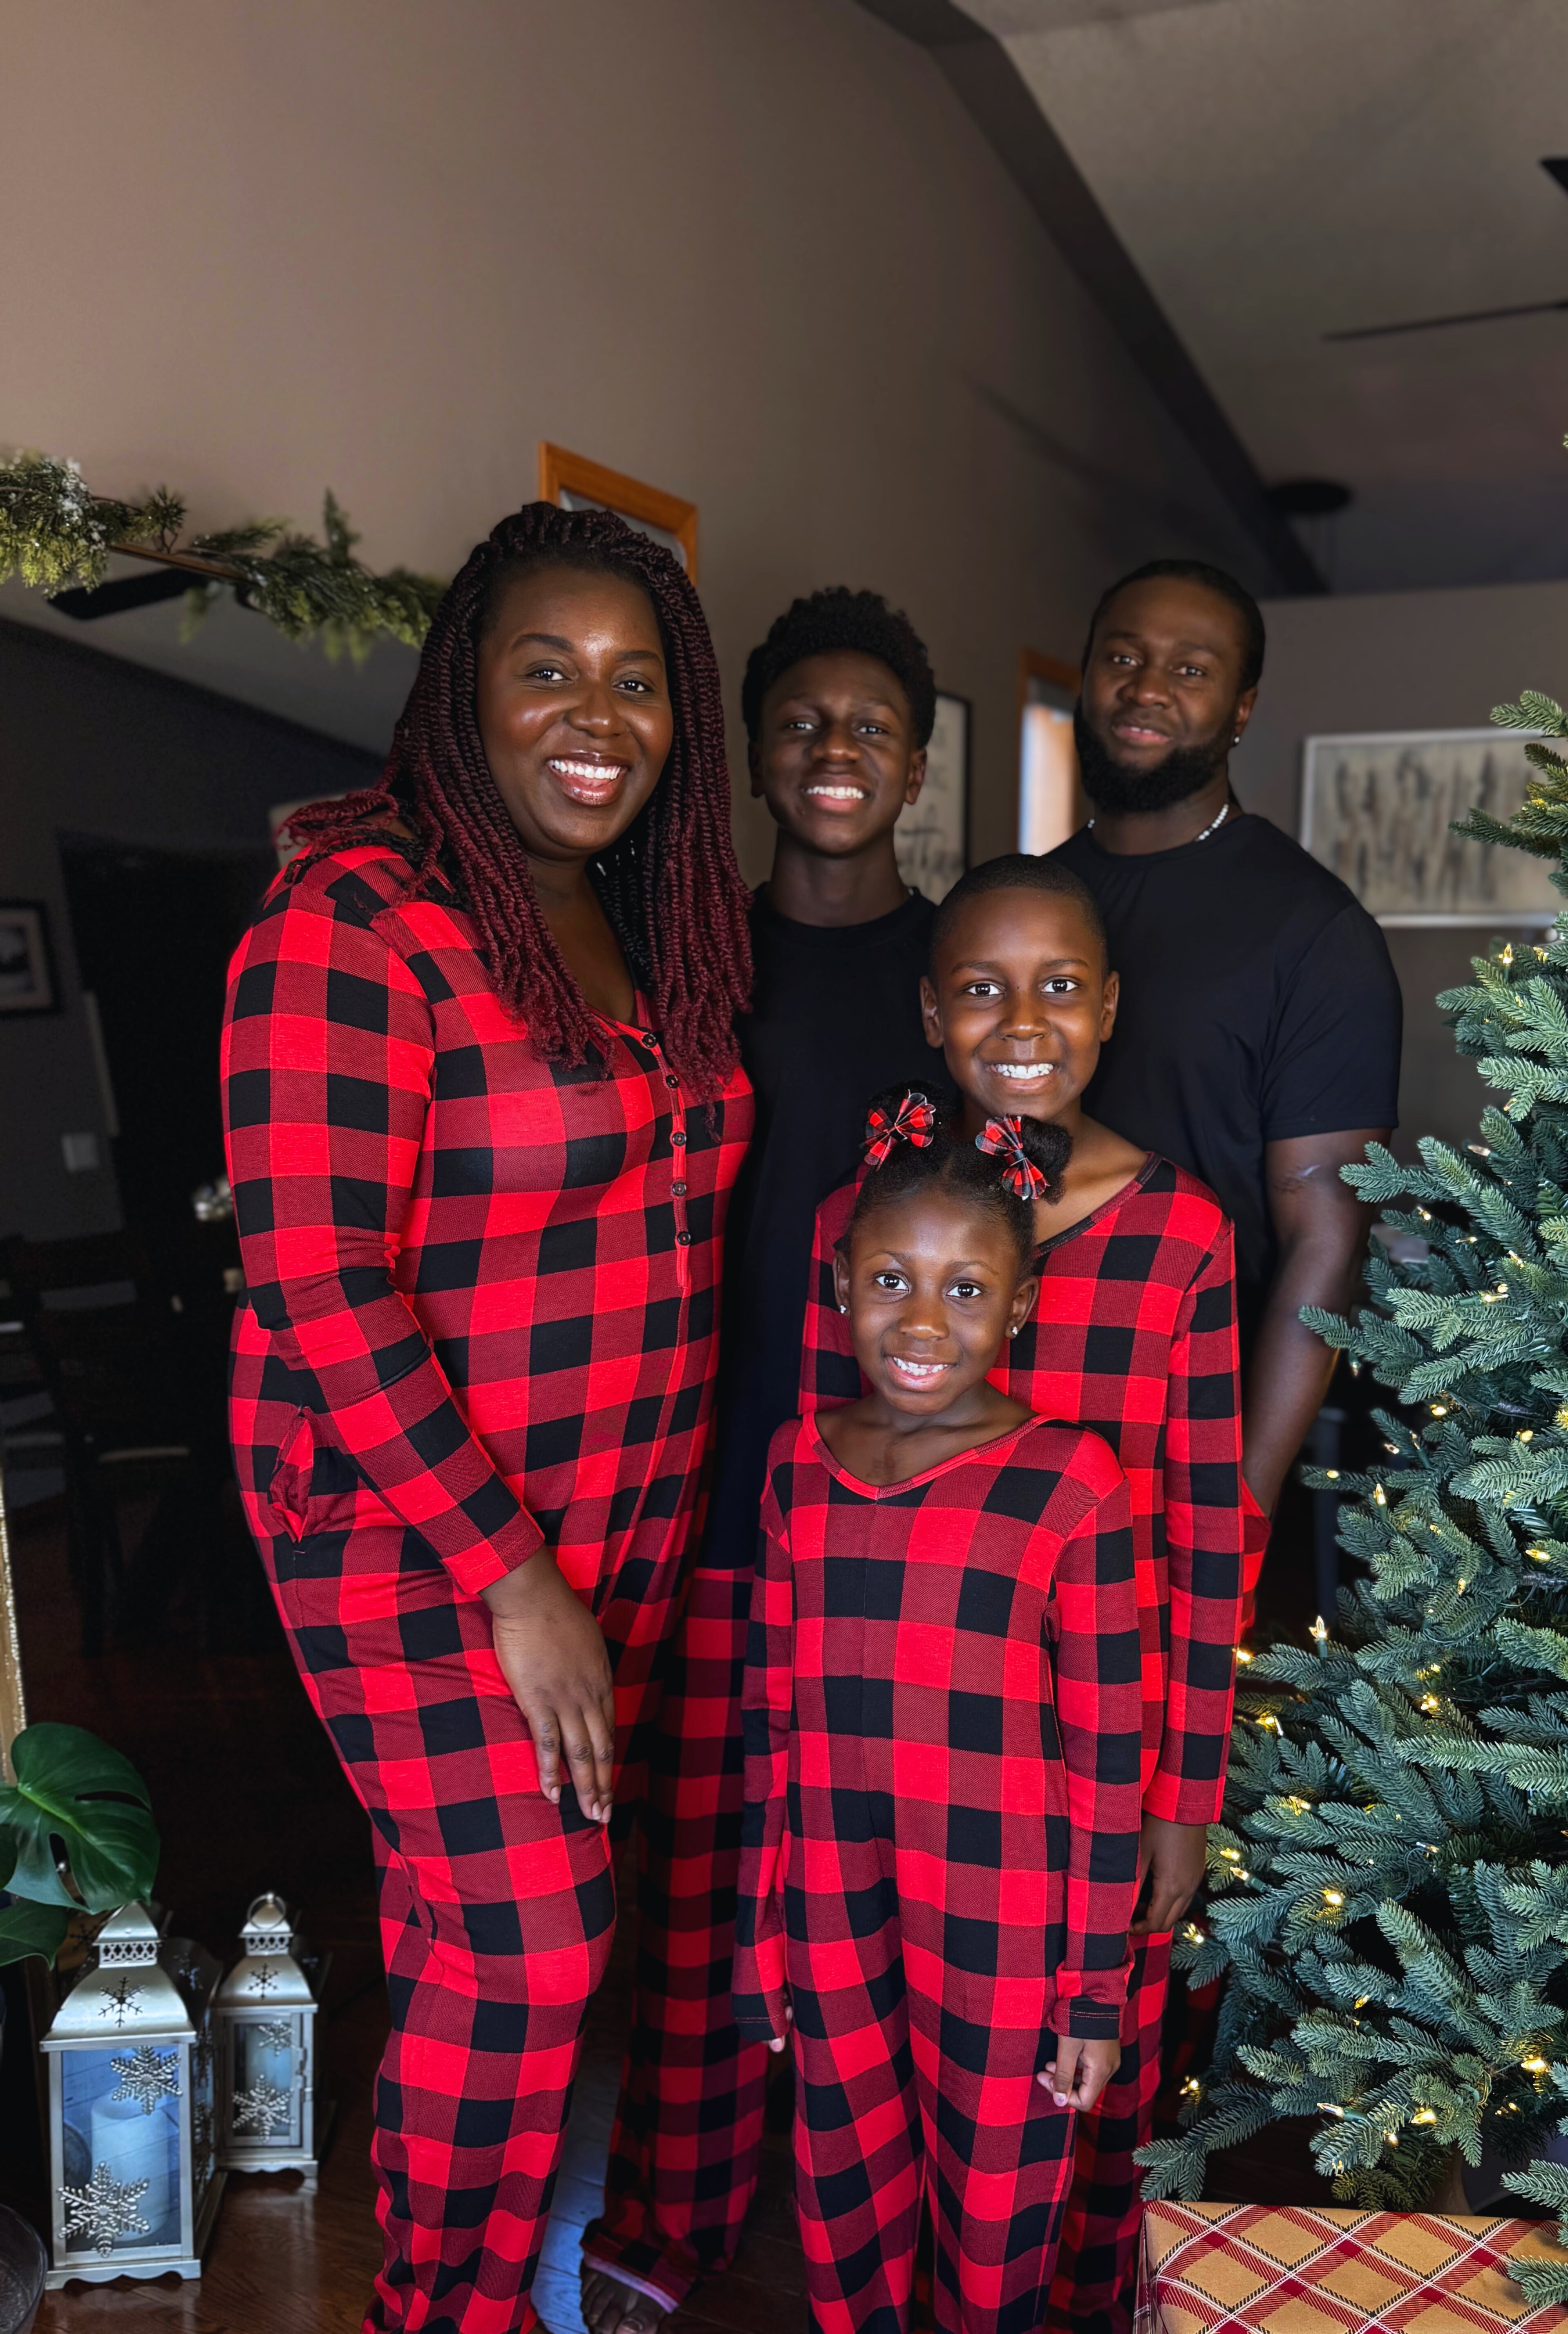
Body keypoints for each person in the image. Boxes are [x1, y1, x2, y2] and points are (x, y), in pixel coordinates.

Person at [221, 501, 753, 2334]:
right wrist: (515, 1575)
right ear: (468, 691)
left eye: (637, 680)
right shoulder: (355, 914)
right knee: (529, 1947)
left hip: (625, 1519)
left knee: (492, 1931)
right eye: (548, 669)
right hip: (416, 1526)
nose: (593, 716)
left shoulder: (638, 912)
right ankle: (433, 2312)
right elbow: (318, 1278)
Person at [799, 859, 1244, 2334]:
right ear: (932, 1014)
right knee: (871, 2125)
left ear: (1109, 1010)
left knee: (1055, 2111)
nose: (1021, 1021)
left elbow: (1200, 1533)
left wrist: (1179, 1797)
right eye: (982, 988)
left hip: (1072, 1793)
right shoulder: (861, 1225)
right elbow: (815, 1513)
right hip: (881, 1784)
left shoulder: (1178, 1239)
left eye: (1058, 987)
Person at [582, 588, 944, 2331]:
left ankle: (876, 2209)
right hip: (707, 1493)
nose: (834, 754)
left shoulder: (966, 977)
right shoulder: (686, 959)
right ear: (751, 761)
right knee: (704, 1888)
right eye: (800, 722)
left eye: (870, 725)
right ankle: (674, 2209)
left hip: (900, 1512)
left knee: (879, 1881)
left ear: (919, 763)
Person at [736, 1097, 1141, 2334]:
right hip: (832, 1911)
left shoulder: (1070, 1480)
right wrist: (766, 1944)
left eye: (966, 1290)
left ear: (1017, 1308)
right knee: (843, 2183)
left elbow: (1108, 1759)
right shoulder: (798, 1462)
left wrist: (1090, 1998)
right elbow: (772, 1732)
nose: (922, 1323)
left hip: (1009, 1928)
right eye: (889, 1282)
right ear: (842, 1284)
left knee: (997, 2207)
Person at [1051, 557, 1402, 1535]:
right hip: (999, 1401)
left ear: (1242, 709)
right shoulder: (1024, 903)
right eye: (1122, 656)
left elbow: (1325, 1239)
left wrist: (1244, 1493)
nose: (1147, 687)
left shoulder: (1314, 932)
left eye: (1191, 669)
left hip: (1181, 1434)